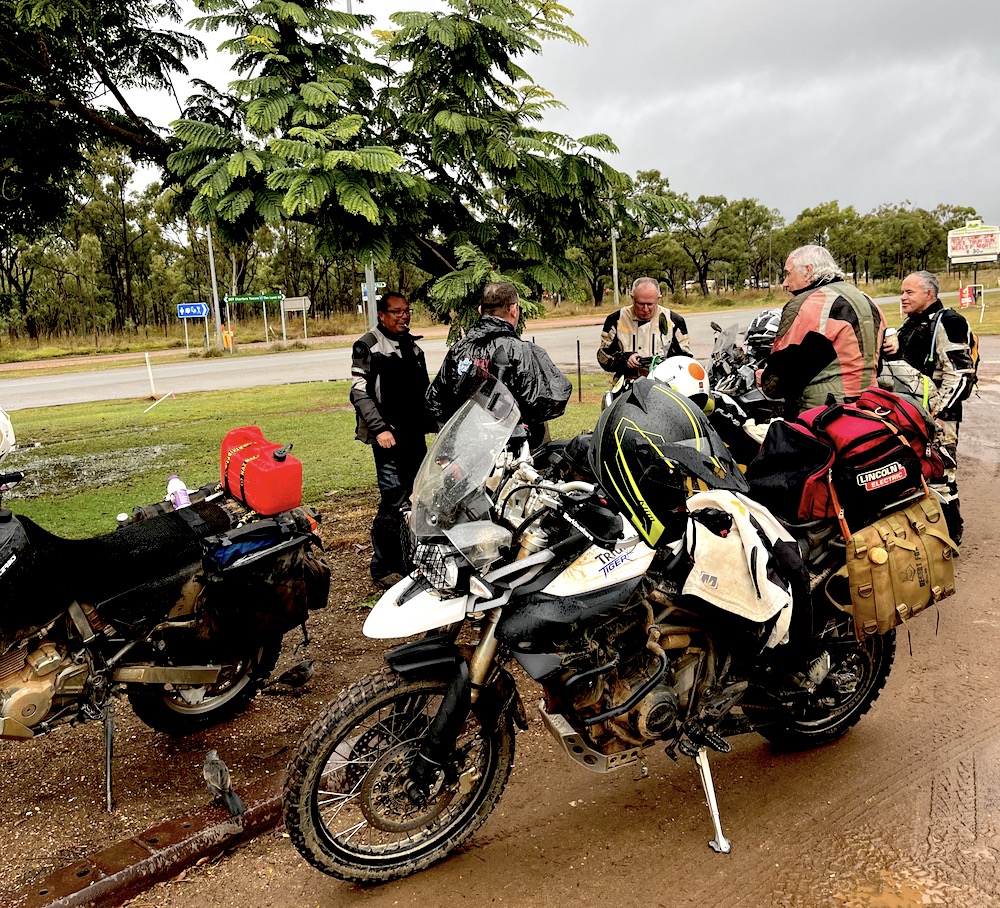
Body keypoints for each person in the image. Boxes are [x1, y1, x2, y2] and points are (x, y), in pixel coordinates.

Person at [350, 291, 435, 588]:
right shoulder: (367, 346)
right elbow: (359, 392)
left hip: (414, 434)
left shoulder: (413, 346)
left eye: (406, 311)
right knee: (393, 501)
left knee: (418, 496)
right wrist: (380, 429)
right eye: (396, 312)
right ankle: (383, 566)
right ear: (382, 315)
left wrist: (438, 422)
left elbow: (424, 391)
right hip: (386, 438)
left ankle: (412, 560)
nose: (403, 316)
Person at [885, 270, 974, 543]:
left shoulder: (949, 321)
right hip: (909, 414)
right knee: (914, 471)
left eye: (909, 292)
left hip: (939, 417)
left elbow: (961, 374)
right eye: (901, 292)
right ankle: (924, 531)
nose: (902, 297)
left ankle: (950, 534)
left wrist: (936, 415)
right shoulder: (912, 323)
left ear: (929, 294)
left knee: (941, 474)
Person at [425, 282, 572, 447]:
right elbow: (554, 398)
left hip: (466, 452)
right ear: (513, 309)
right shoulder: (521, 351)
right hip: (511, 454)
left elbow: (435, 399)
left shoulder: (459, 349)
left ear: (481, 310)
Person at [760, 245, 886, 417]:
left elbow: (782, 373)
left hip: (823, 414)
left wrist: (763, 379)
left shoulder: (807, 303)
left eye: (788, 274)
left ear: (808, 270)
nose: (785, 283)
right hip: (870, 406)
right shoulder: (868, 300)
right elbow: (879, 362)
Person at [597, 277, 692, 380]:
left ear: (658, 298)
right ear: (632, 297)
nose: (646, 309)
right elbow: (603, 357)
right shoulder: (615, 320)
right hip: (627, 385)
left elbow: (685, 361)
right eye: (641, 304)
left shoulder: (674, 321)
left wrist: (664, 365)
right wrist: (624, 359)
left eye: (650, 304)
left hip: (663, 386)